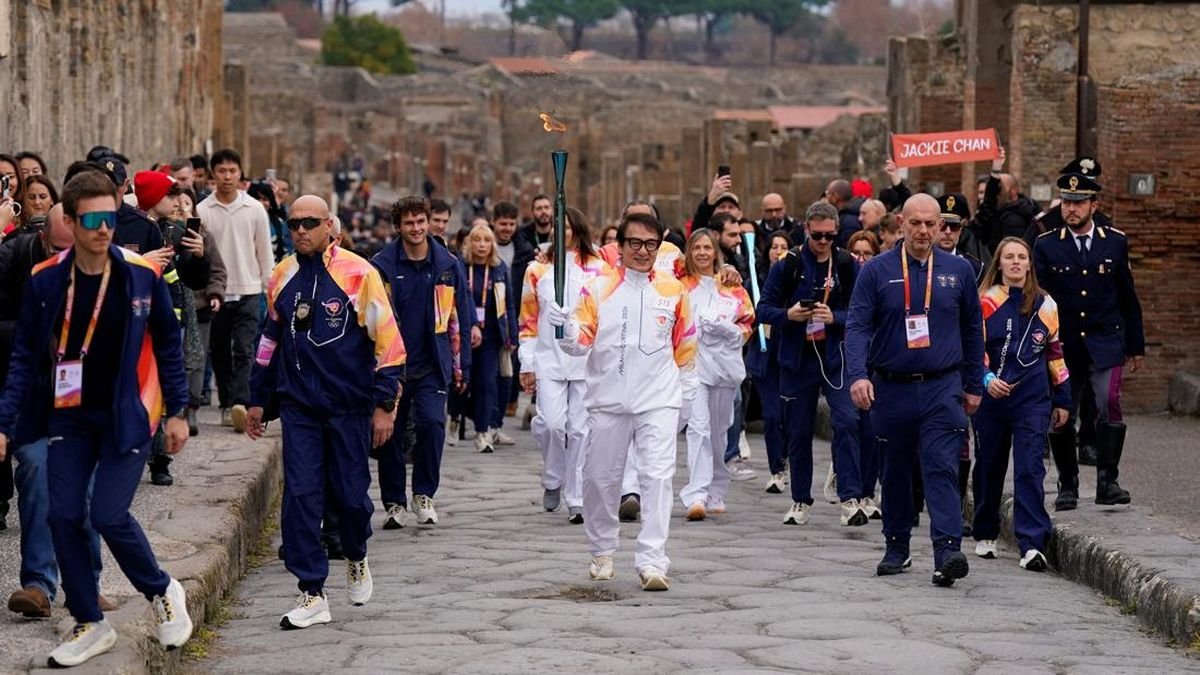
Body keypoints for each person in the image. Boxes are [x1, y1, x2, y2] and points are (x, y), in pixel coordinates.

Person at [0, 171, 193, 665]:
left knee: (107, 514)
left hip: (128, 414)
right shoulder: (46, 282)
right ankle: (89, 620)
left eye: (110, 216)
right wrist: (4, 423)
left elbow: (169, 344)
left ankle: (163, 589)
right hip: (67, 416)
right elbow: (23, 357)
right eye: (92, 219)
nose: (104, 228)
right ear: (70, 220)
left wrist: (178, 412)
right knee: (63, 513)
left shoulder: (139, 275)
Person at [246, 195, 405, 629]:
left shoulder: (359, 273)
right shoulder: (281, 275)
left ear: (329, 226)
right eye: (293, 223)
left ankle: (356, 554)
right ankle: (311, 591)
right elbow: (268, 342)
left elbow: (389, 345)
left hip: (349, 407)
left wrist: (384, 405)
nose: (300, 230)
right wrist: (258, 398)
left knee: (351, 499)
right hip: (300, 408)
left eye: (310, 223)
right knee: (300, 496)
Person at [846, 193, 986, 588]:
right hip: (891, 388)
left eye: (931, 224)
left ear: (941, 225)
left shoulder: (958, 271)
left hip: (943, 386)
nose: (924, 231)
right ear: (900, 224)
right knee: (895, 470)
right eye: (916, 224)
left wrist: (974, 385)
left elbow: (973, 330)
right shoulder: (876, 271)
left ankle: (947, 552)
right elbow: (857, 326)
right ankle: (897, 544)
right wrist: (858, 375)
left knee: (941, 467)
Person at [553, 212, 696, 592]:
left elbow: (685, 345)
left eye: (651, 244)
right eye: (635, 243)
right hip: (608, 400)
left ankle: (652, 561)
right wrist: (563, 329)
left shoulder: (673, 290)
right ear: (620, 245)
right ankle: (601, 549)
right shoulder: (597, 288)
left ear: (660, 244)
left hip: (659, 398)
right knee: (600, 480)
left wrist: (689, 393)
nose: (643, 251)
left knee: (658, 477)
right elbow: (580, 342)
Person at [0, 204, 110, 618]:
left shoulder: (110, 276)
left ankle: (86, 585)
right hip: (36, 404)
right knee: (37, 473)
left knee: (85, 490)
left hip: (88, 405)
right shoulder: (18, 265)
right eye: (60, 252)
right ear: (45, 240)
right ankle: (38, 585)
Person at [1034, 163, 1144, 509]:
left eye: (1079, 202)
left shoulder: (1115, 242)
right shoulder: (1046, 245)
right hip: (1063, 344)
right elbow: (1038, 301)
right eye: (1067, 202)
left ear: (1094, 205)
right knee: (1061, 410)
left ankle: (1107, 481)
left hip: (1105, 341)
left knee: (1109, 403)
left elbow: (1128, 296)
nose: (1071, 209)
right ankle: (1068, 484)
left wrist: (1136, 346)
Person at [758, 201, 867, 527]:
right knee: (798, 431)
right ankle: (800, 500)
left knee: (848, 422)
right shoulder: (787, 264)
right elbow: (763, 309)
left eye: (829, 236)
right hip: (797, 358)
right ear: (807, 230)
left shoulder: (846, 263)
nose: (823, 241)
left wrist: (835, 317)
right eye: (817, 235)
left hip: (834, 356)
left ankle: (850, 497)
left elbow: (862, 312)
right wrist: (788, 315)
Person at [371, 196, 473, 528]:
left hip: (433, 362)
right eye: (408, 223)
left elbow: (460, 317)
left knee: (432, 425)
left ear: (429, 223)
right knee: (391, 434)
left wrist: (462, 366)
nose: (416, 229)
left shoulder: (448, 264)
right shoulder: (382, 266)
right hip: (392, 365)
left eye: (420, 222)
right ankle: (394, 502)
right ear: (398, 227)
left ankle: (424, 493)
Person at [973, 237, 1070, 571]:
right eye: (1009, 257)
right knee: (989, 465)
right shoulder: (985, 301)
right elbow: (974, 349)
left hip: (1032, 398)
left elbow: (1055, 354)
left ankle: (1031, 543)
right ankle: (985, 532)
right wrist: (986, 380)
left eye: (1022, 257)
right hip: (992, 399)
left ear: (1030, 264)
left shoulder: (1046, 305)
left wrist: (1063, 397)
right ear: (998, 263)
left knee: (1030, 467)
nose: (1015, 262)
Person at [519, 206, 609, 524]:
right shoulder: (537, 271)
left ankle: (576, 496)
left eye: (569, 227)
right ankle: (553, 476)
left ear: (578, 229)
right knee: (551, 425)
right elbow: (528, 321)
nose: (564, 232)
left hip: (586, 360)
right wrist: (526, 363)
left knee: (580, 430)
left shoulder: (599, 269)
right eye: (559, 227)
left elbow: (605, 315)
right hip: (548, 358)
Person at [678, 229, 754, 521]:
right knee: (698, 428)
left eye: (707, 247)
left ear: (715, 252)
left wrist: (728, 331)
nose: (701, 253)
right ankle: (696, 494)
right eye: (696, 248)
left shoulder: (732, 287)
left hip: (724, 368)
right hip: (693, 367)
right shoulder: (681, 285)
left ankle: (716, 490)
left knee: (719, 433)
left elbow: (747, 323)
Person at [197, 149, 274, 434]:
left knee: (244, 348)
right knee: (218, 350)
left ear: (240, 173)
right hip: (215, 291)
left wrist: (269, 289)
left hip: (249, 289)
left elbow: (264, 253)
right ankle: (228, 401)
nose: (227, 176)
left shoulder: (254, 209)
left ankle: (240, 402)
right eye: (221, 171)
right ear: (213, 174)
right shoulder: (203, 210)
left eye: (232, 171)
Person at [461, 224, 518, 453]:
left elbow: (510, 304)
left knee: (488, 383)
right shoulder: (461, 267)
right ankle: (458, 419)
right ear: (470, 243)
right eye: (477, 240)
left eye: (486, 240)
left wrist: (512, 334)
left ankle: (483, 431)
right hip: (466, 335)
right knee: (465, 384)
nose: (482, 245)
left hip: (492, 335)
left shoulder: (499, 268)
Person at [750, 231, 793, 494]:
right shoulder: (757, 279)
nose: (778, 251)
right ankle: (776, 469)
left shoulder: (795, 278)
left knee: (789, 415)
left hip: (788, 353)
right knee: (771, 414)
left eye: (784, 246)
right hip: (764, 355)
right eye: (774, 246)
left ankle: (787, 459)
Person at [976, 148, 1038, 252]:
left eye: (1000, 188)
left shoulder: (1016, 216)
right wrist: (995, 171)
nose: (996, 192)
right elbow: (987, 208)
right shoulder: (998, 212)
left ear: (1013, 191)